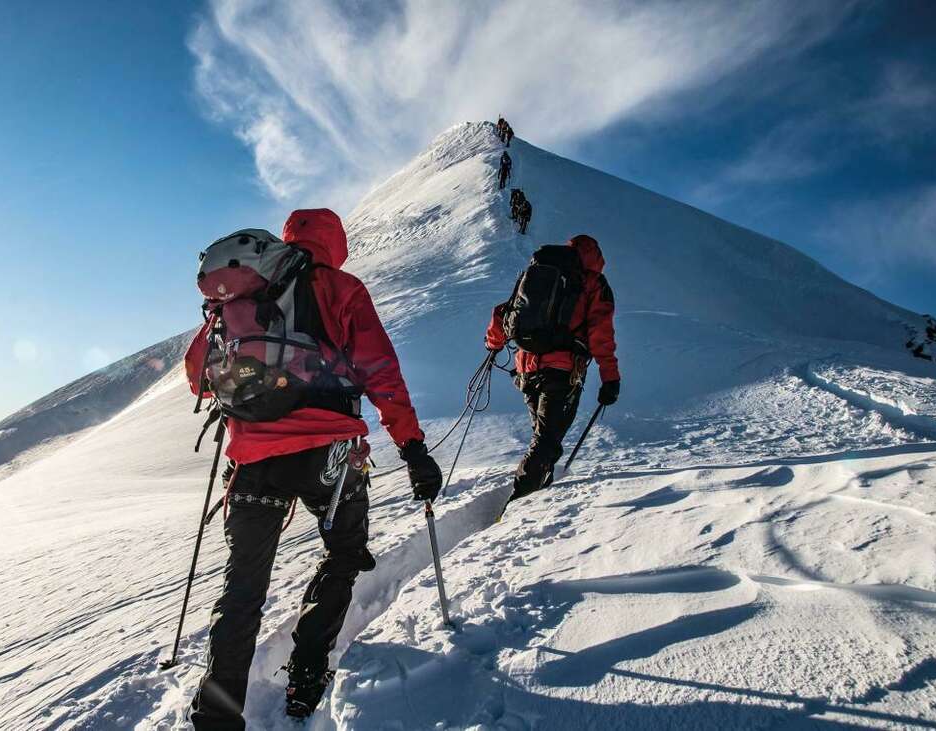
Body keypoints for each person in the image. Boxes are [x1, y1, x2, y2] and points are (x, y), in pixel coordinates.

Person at [184, 208, 443, 729]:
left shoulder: (239, 294)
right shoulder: (340, 287)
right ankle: (306, 676)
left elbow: (198, 375)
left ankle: (216, 710)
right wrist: (412, 448)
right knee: (345, 552)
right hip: (331, 452)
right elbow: (380, 371)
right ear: (336, 243)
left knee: (244, 584)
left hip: (254, 456)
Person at [484, 234, 619, 502]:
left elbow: (504, 311)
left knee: (545, 437)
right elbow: (601, 333)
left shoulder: (536, 273)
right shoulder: (591, 282)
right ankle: (519, 503)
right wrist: (610, 378)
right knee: (546, 439)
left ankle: (539, 485)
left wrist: (493, 344)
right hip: (562, 371)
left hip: (526, 368)